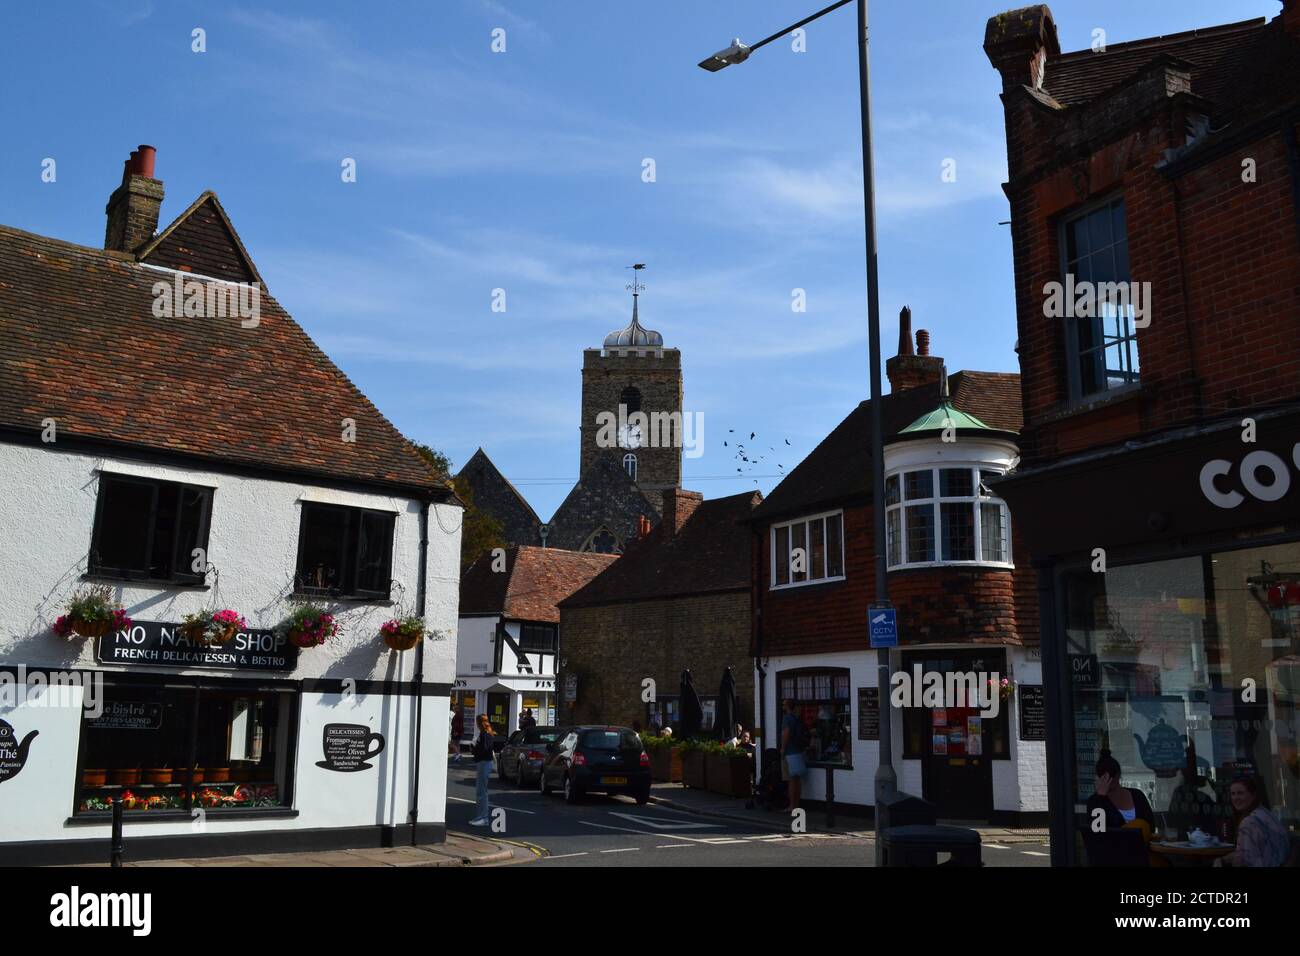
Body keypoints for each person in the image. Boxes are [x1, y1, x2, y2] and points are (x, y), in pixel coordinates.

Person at [1220, 775, 1290, 867]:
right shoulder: (1267, 814)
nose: (1235, 798)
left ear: (1253, 795)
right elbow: (1245, 852)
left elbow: (1246, 860)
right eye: (1233, 794)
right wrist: (1223, 859)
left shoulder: (1249, 823)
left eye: (1240, 793)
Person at [1086, 751, 1155, 834]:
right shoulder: (1095, 801)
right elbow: (1097, 832)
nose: (1109, 780)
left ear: (1118, 775)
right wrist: (1101, 798)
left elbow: (1151, 826)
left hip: (1140, 845)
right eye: (1104, 776)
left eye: (1112, 775)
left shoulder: (1137, 795)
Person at [780, 699, 807, 811]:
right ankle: (796, 804)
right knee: (797, 780)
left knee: (791, 780)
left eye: (783, 704)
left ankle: (792, 806)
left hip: (790, 752)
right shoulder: (797, 718)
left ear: (787, 706)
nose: (782, 705)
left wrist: (783, 748)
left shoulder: (787, 718)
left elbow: (786, 733)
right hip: (799, 751)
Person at [469, 714, 495, 827]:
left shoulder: (484, 734)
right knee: (481, 791)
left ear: (479, 723)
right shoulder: (487, 733)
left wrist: (474, 750)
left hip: (484, 763)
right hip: (485, 762)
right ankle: (481, 817)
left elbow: (484, 749)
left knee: (481, 792)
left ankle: (483, 818)